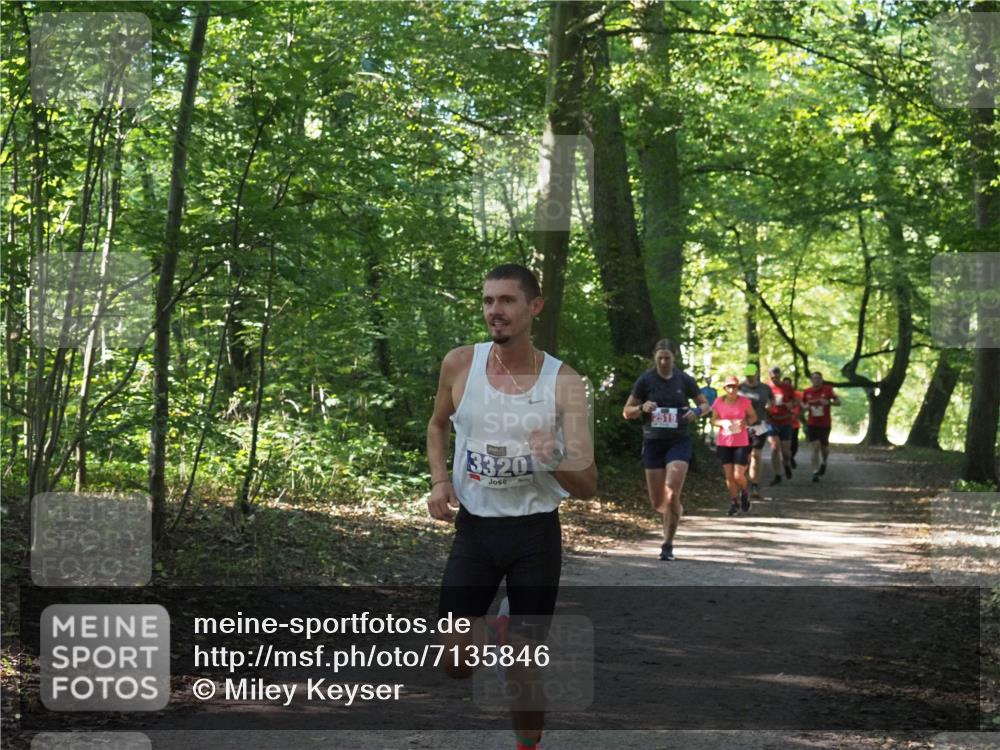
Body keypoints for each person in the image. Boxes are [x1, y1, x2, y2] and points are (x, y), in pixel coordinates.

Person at [427, 263, 597, 750]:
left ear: (534, 306)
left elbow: (588, 485)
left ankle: (528, 745)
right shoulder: (460, 363)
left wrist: (556, 458)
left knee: (525, 663)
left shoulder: (564, 382)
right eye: (488, 301)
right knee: (456, 664)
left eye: (506, 300)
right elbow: (437, 425)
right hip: (475, 531)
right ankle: (498, 630)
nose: (494, 311)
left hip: (533, 534)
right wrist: (440, 480)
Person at [623, 339, 709, 561]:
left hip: (679, 441)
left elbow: (705, 405)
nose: (663, 362)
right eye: (660, 358)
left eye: (667, 358)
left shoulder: (684, 379)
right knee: (658, 502)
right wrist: (642, 407)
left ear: (674, 358)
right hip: (653, 443)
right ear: (654, 357)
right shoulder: (646, 380)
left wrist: (695, 412)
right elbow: (627, 411)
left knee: (671, 491)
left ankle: (667, 544)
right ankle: (674, 510)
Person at [711, 375, 758, 516]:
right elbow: (713, 420)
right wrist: (722, 422)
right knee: (729, 476)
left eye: (735, 387)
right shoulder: (718, 402)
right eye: (729, 387)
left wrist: (744, 423)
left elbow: (753, 417)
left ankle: (744, 492)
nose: (732, 389)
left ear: (738, 388)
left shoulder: (744, 401)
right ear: (725, 388)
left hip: (741, 442)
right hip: (724, 442)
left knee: (738, 475)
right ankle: (734, 503)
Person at [738, 363, 773, 498]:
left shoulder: (765, 388)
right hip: (743, 426)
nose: (749, 378)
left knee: (756, 455)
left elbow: (772, 401)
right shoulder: (739, 388)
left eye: (751, 375)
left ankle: (755, 485)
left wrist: (770, 406)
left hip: (760, 425)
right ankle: (744, 484)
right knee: (744, 457)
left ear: (757, 374)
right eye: (747, 375)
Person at [802, 370, 841, 482]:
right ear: (811, 380)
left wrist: (829, 402)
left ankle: (824, 462)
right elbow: (802, 404)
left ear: (821, 380)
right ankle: (815, 472)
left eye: (818, 378)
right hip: (812, 423)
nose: (816, 380)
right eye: (814, 378)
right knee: (815, 447)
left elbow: (839, 402)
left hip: (825, 424)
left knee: (824, 448)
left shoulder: (828, 390)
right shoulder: (807, 392)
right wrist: (805, 407)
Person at [765, 366, 799, 486]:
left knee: (786, 452)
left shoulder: (787, 387)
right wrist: (766, 407)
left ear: (780, 376)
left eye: (777, 377)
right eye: (773, 377)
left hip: (785, 422)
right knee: (774, 447)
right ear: (770, 376)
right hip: (771, 421)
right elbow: (759, 402)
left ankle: (786, 464)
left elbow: (796, 401)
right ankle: (777, 474)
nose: (775, 379)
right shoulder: (766, 387)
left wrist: (791, 404)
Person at [783, 376, 804, 469]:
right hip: (783, 423)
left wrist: (799, 414)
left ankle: (791, 458)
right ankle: (786, 460)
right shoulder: (779, 395)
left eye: (788, 384)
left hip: (794, 424)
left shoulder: (798, 394)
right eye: (785, 384)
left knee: (794, 444)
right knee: (785, 444)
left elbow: (803, 406)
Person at [700, 376, 719, 447]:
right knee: (703, 423)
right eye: (707, 380)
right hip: (705, 408)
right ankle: (703, 437)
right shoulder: (702, 390)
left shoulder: (714, 390)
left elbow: (716, 400)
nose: (709, 381)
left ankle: (712, 439)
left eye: (710, 380)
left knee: (712, 424)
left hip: (712, 409)